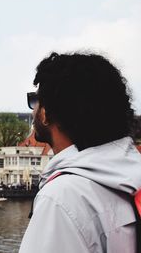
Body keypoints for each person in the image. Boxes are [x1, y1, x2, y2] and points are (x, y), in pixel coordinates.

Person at [19, 52, 141, 253]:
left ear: (46, 113)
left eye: (35, 100)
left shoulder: (62, 198)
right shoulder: (133, 178)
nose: (33, 111)